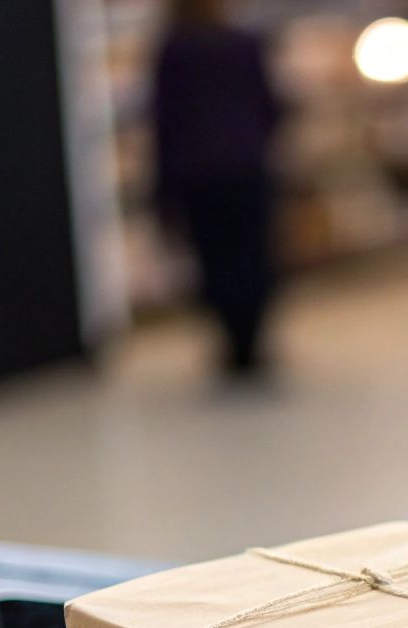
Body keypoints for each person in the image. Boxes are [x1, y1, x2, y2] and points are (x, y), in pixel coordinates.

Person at [152, 0, 283, 379]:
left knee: (216, 260)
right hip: (245, 168)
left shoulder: (174, 50)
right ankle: (250, 340)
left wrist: (164, 192)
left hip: (198, 173)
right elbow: (269, 106)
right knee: (251, 258)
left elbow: (164, 121)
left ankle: (234, 339)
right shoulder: (243, 43)